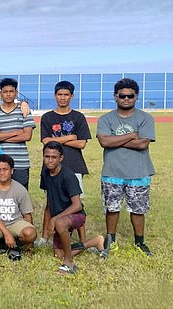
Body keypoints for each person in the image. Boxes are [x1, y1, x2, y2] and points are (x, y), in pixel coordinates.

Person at [97, 78, 156, 256]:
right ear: (115, 96)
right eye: (122, 95)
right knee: (112, 208)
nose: (126, 99)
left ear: (136, 97)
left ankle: (139, 242)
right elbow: (104, 141)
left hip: (139, 172)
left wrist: (115, 140)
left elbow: (142, 145)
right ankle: (111, 240)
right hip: (112, 172)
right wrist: (131, 135)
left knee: (138, 209)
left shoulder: (145, 118)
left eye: (130, 96)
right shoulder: (106, 118)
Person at [38, 81, 91, 246]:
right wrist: (70, 137)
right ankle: (45, 237)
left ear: (72, 96)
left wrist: (57, 141)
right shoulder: (47, 117)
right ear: (55, 96)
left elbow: (81, 143)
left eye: (66, 95)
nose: (62, 98)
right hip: (51, 167)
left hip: (74, 165)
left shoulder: (78, 117)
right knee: (50, 203)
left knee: (77, 204)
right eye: (59, 94)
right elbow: (46, 141)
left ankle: (83, 241)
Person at [40, 141, 106, 275]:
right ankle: (95, 241)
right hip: (60, 218)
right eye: (47, 156)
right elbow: (49, 203)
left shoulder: (68, 175)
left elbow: (77, 205)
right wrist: (45, 233)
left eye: (54, 157)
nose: (50, 160)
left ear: (61, 158)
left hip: (77, 216)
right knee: (58, 254)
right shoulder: (45, 174)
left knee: (60, 223)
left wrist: (54, 220)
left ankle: (68, 263)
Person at [0, 78, 35, 190]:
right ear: (1, 93)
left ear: (16, 93)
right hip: (0, 163)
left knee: (20, 196)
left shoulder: (24, 111)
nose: (8, 94)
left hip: (20, 163)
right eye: (5, 92)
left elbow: (27, 136)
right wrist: (16, 133)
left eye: (11, 91)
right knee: (1, 197)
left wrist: (1, 136)